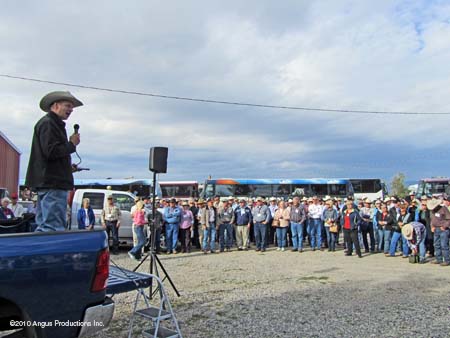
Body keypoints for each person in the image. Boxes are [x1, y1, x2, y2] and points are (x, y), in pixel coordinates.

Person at [25, 91, 83, 232]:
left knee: (45, 226)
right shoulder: (49, 123)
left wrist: (67, 168)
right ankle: (49, 254)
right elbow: (51, 151)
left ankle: (38, 253)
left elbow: (49, 156)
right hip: (53, 184)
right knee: (53, 227)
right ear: (56, 105)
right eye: (68, 105)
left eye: (72, 108)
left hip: (48, 182)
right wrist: (71, 144)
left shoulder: (49, 123)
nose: (70, 110)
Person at [427, 198, 450, 266]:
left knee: (444, 245)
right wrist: (432, 226)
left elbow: (449, 219)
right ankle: (438, 259)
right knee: (436, 245)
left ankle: (447, 260)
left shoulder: (444, 209)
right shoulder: (433, 210)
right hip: (436, 229)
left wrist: (444, 226)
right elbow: (432, 220)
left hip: (443, 229)